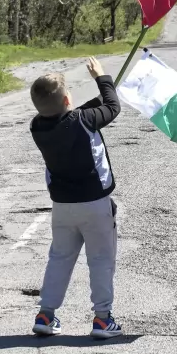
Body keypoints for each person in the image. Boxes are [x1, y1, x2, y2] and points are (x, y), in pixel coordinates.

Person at [28, 57, 123, 339]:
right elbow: (111, 108)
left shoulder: (37, 127)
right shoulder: (83, 121)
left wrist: (105, 91)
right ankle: (102, 319)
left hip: (63, 207)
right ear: (68, 99)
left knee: (59, 258)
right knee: (101, 259)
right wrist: (103, 79)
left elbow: (78, 115)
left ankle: (46, 314)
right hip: (95, 205)